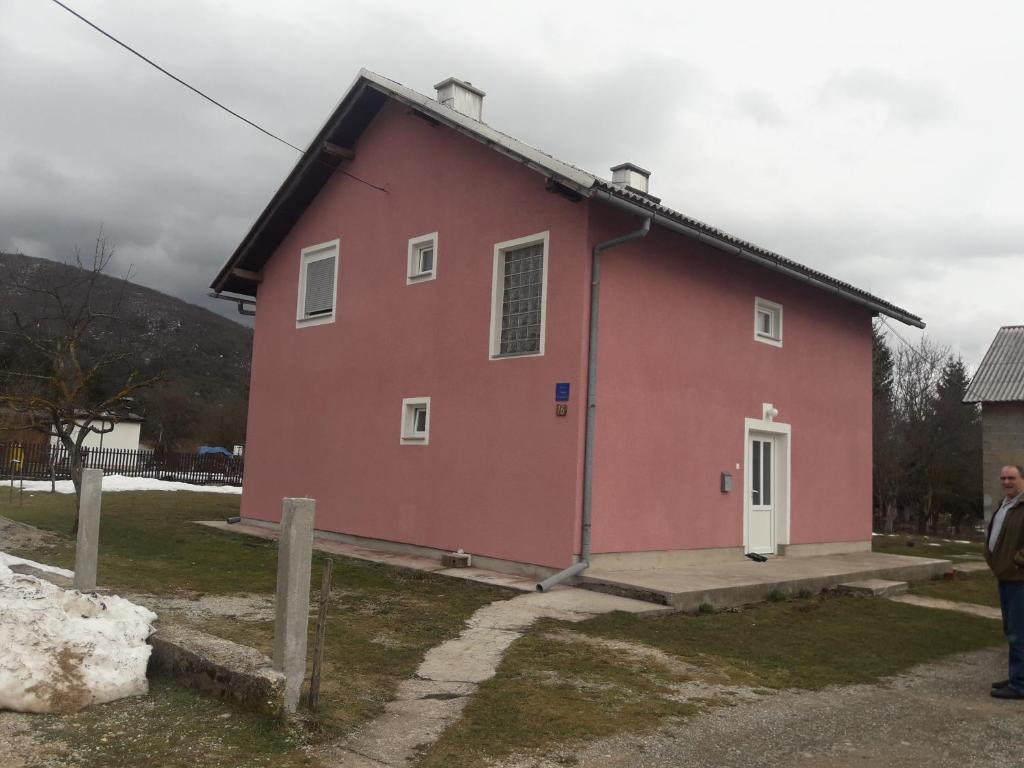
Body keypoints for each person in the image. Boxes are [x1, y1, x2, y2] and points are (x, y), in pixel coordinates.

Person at [986, 464, 1024, 699]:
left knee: (1019, 631)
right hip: (1006, 576)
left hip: (1019, 577)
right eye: (1003, 478)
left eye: (1011, 478)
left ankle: (1020, 685)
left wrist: (1016, 561)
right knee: (1012, 629)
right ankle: (1016, 675)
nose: (1006, 482)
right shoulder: (1006, 503)